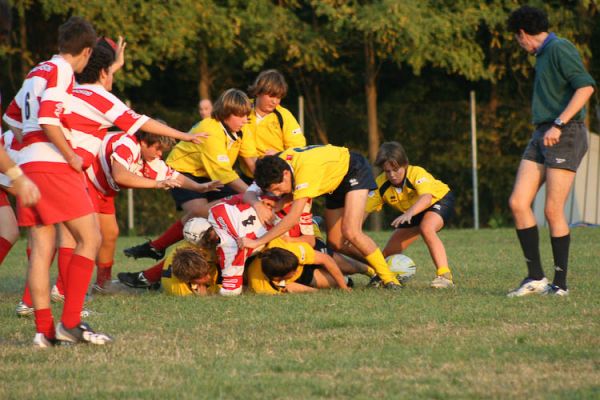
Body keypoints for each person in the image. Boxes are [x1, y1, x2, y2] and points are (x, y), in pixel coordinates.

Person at [2, 16, 111, 347]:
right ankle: (71, 323)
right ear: (87, 52)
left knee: (42, 244)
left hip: (29, 164)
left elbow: (10, 118)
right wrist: (70, 155)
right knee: (90, 237)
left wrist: (31, 145)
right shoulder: (63, 71)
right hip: (53, 164)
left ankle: (44, 330)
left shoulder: (37, 70)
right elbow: (49, 118)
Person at [506, 6, 595, 297]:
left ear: (522, 34)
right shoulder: (542, 55)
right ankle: (535, 277)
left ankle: (560, 285)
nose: (519, 45)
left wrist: (558, 123)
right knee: (519, 203)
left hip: (564, 133)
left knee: (552, 210)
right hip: (541, 133)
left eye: (516, 39)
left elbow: (585, 88)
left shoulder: (559, 48)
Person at [239, 145, 402, 289]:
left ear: (286, 174)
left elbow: (293, 217)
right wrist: (258, 206)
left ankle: (390, 280)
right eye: (272, 190)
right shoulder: (273, 166)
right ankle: (378, 269)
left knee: (351, 231)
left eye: (277, 188)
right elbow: (249, 194)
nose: (276, 194)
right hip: (332, 182)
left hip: (353, 169)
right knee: (336, 242)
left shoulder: (305, 172)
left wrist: (258, 242)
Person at [123, 89, 257, 260]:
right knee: (201, 215)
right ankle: (173, 263)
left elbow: (251, 161)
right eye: (240, 115)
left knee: (228, 210)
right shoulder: (211, 130)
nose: (245, 120)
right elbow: (224, 173)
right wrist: (253, 196)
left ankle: (156, 248)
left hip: (209, 174)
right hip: (183, 171)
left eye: (247, 115)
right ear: (225, 112)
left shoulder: (241, 131)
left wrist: (264, 188)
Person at [365, 142, 455, 288]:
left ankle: (445, 276)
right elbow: (364, 210)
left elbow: (426, 198)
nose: (392, 175)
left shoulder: (416, 173)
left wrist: (409, 213)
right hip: (412, 212)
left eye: (396, 169)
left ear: (405, 164)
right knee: (389, 250)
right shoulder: (380, 184)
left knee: (426, 228)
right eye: (387, 171)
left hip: (438, 200)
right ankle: (381, 276)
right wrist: (353, 230)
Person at [240, 69, 305, 187]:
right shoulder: (242, 109)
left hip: (276, 179)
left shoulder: (284, 116)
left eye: (279, 97)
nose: (275, 101)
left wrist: (280, 154)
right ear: (259, 91)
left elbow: (298, 150)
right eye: (271, 96)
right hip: (247, 178)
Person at [246, 240, 351, 294]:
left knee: (349, 266)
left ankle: (367, 269)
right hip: (298, 277)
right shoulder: (262, 287)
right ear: (278, 278)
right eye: (293, 270)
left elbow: (326, 259)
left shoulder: (288, 249)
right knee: (347, 281)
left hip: (306, 249)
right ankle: (347, 280)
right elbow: (288, 287)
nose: (296, 270)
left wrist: (344, 288)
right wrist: (316, 292)